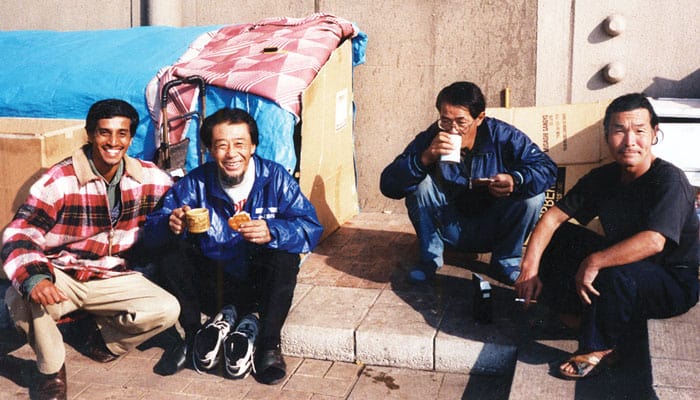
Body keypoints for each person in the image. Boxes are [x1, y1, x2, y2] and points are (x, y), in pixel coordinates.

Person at [0, 99, 180, 400]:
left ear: (131, 138)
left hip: (111, 274)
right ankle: (51, 371)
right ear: (89, 135)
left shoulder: (146, 176)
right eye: (104, 133)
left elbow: (182, 191)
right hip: (64, 272)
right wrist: (36, 277)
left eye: (122, 134)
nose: (113, 142)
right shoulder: (60, 180)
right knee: (21, 297)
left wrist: (183, 213)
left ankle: (102, 342)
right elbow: (20, 232)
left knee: (166, 309)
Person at [515, 93, 699, 379]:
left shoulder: (669, 181)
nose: (629, 141)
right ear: (606, 136)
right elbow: (552, 218)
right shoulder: (603, 177)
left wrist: (594, 261)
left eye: (639, 131)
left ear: (654, 134)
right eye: (619, 131)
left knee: (615, 272)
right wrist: (529, 268)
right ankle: (575, 316)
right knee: (562, 236)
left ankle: (599, 347)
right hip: (624, 268)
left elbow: (654, 240)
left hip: (672, 280)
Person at [143, 107, 323, 384]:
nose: (231, 154)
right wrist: (169, 224)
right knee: (171, 248)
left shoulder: (275, 179)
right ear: (209, 150)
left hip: (258, 285)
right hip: (213, 282)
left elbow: (311, 228)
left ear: (253, 146)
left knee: (285, 256)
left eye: (240, 144)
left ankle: (269, 345)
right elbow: (151, 231)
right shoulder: (195, 183)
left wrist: (273, 230)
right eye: (221, 145)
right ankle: (194, 336)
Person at [380, 81, 557, 285]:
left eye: (461, 122)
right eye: (445, 121)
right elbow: (388, 185)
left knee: (533, 197)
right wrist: (424, 158)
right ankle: (430, 259)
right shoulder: (432, 136)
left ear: (479, 117)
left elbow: (547, 168)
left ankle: (506, 261)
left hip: (493, 227)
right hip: (449, 228)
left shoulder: (503, 136)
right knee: (421, 185)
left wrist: (515, 180)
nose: (452, 130)